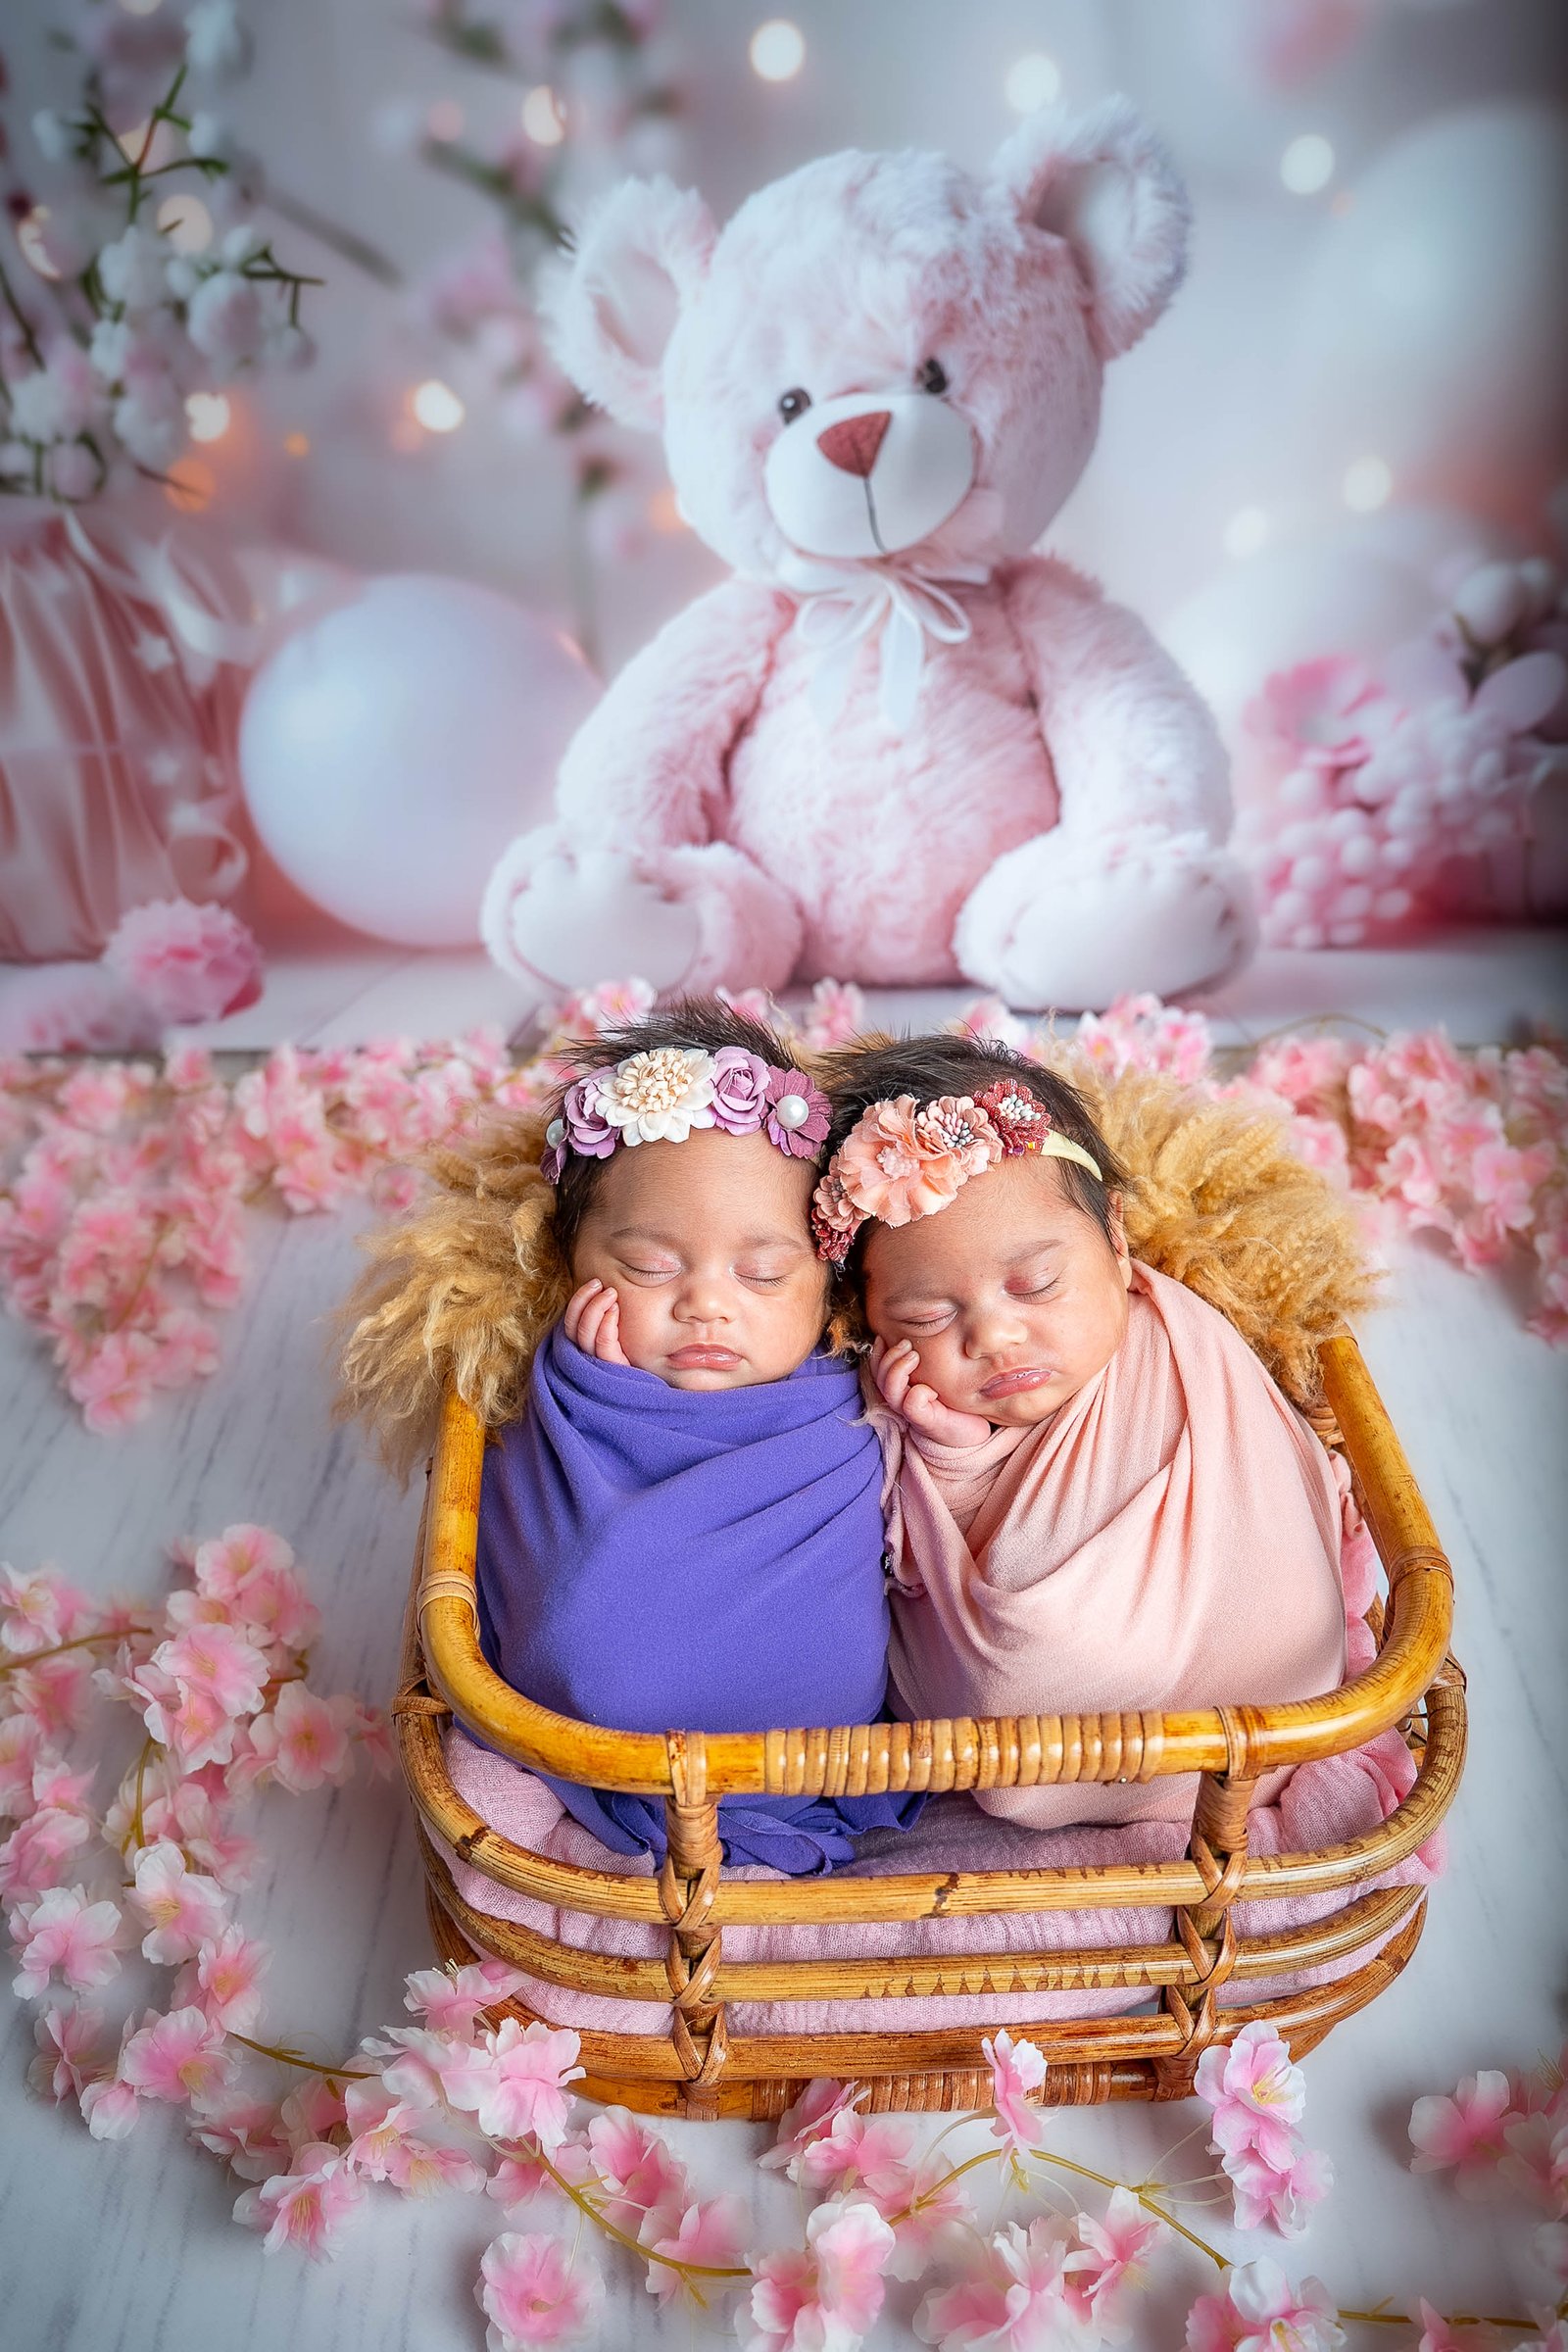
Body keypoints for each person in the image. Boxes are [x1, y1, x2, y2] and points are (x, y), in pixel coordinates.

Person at [814, 1033, 1348, 1829]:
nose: (994, 1336)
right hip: (1026, 1728)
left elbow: (1262, 1483)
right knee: (1018, 1668)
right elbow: (919, 1570)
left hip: (1268, 1689)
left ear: (1117, 1243)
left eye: (1036, 1285)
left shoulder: (1177, 1345)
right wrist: (945, 1458)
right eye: (925, 1317)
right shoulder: (899, 1403)